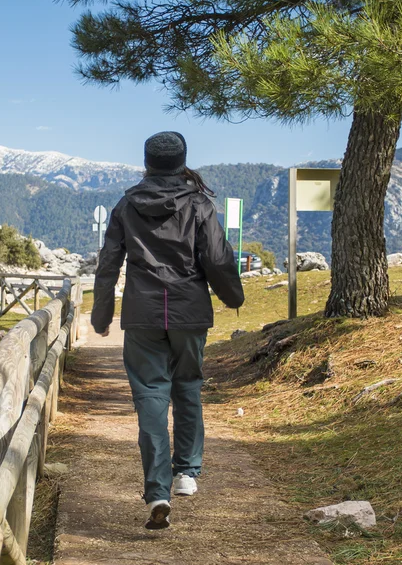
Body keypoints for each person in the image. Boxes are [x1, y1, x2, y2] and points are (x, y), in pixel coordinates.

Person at [91, 131, 245, 529]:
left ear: (147, 162)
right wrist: (233, 297)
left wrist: (102, 315)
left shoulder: (126, 205)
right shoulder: (199, 204)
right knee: (188, 386)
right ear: (181, 162)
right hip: (189, 312)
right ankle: (187, 475)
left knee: (150, 398)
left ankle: (157, 490)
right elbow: (216, 257)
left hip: (142, 314)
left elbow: (108, 263)